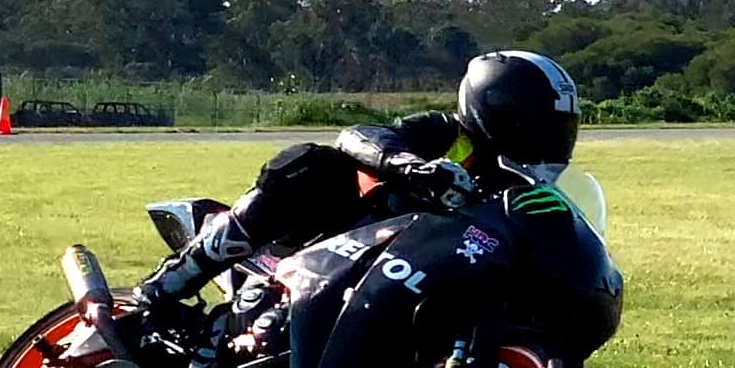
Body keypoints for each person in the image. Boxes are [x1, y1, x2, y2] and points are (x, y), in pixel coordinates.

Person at [133, 50, 581, 313]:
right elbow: (359, 136)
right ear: (497, 110)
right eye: (537, 123)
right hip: (334, 240)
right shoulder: (446, 135)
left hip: (405, 278)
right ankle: (174, 280)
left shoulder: (523, 186)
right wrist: (411, 167)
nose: (547, 137)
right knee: (313, 164)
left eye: (559, 126)